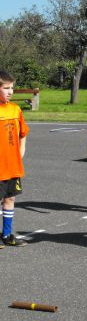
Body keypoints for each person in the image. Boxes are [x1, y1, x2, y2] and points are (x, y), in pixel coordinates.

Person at [0, 69, 29, 247]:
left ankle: (7, 235)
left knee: (10, 199)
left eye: (12, 88)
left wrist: (21, 150)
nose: (10, 91)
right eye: (6, 88)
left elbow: (23, 133)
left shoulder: (15, 109)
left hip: (13, 166)